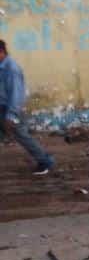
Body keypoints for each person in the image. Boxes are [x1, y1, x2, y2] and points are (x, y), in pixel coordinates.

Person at [0, 40, 55, 175]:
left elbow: (16, 94)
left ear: (1, 52)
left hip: (10, 110)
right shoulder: (2, 66)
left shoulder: (11, 69)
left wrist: (11, 115)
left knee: (22, 135)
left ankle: (45, 161)